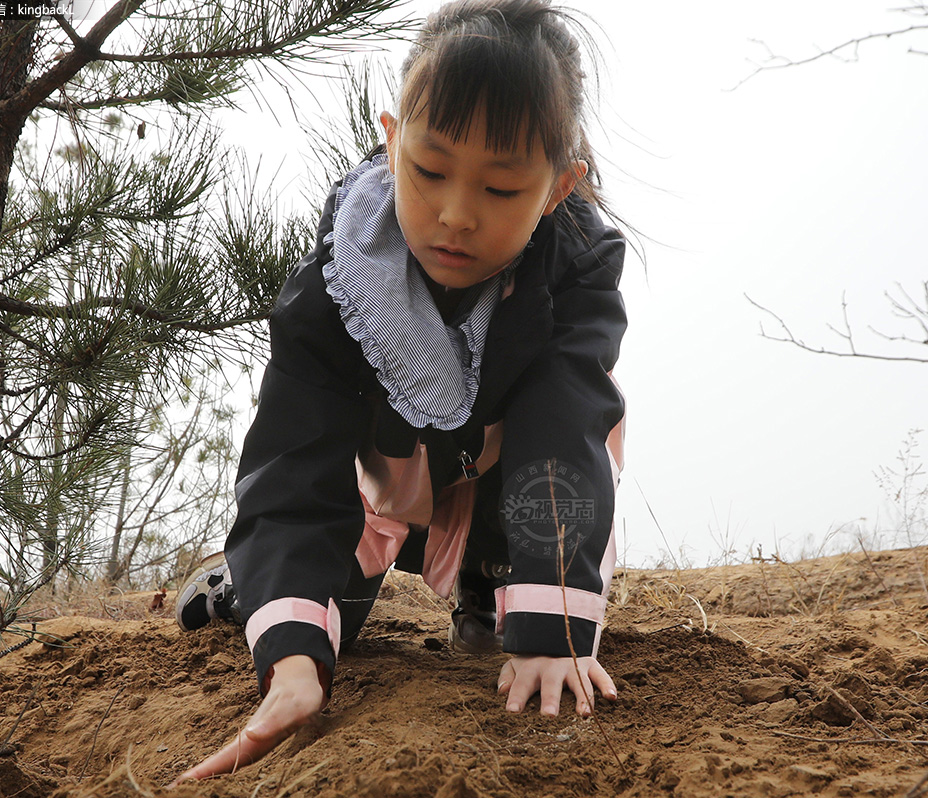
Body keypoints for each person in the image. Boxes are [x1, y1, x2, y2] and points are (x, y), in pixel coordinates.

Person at [173, 0, 628, 782]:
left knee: (522, 596)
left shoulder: (575, 268)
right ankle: (249, 585)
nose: (456, 215)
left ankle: (494, 588)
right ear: (391, 141)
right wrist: (292, 663)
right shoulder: (340, 281)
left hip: (504, 478)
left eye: (502, 188)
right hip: (382, 492)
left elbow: (565, 428)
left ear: (557, 190)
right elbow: (294, 457)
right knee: (311, 624)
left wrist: (551, 625)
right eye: (429, 171)